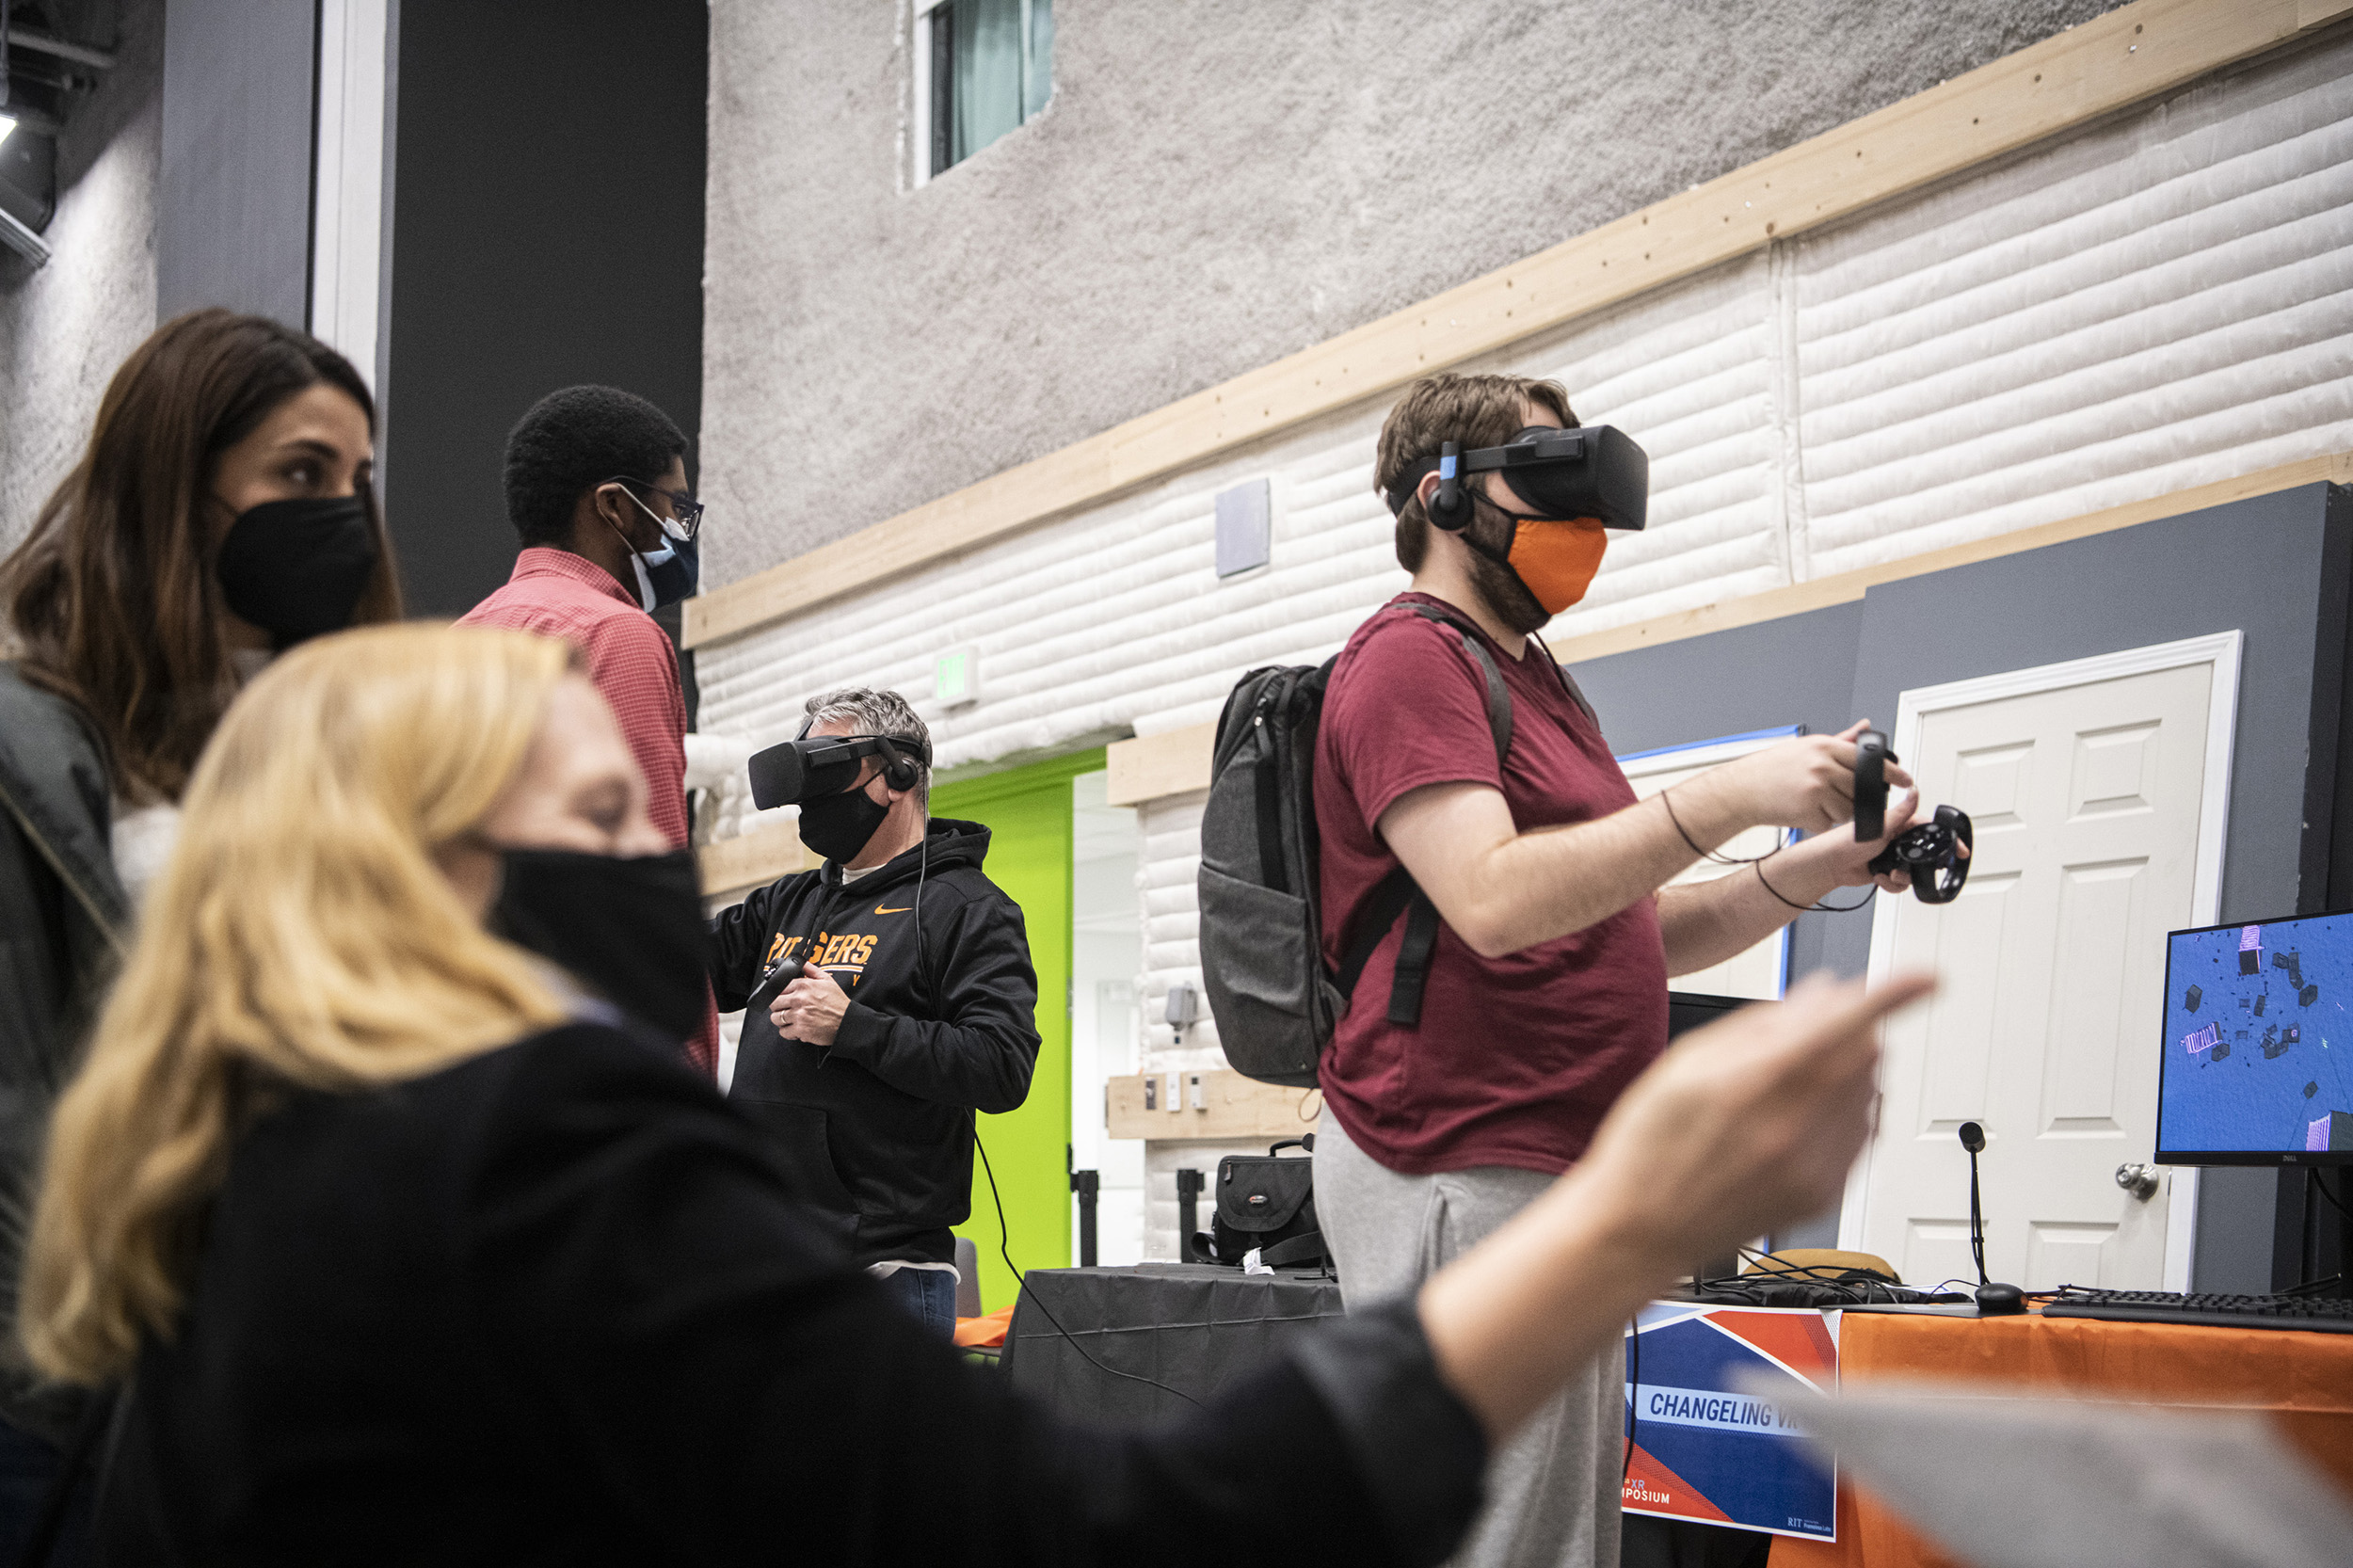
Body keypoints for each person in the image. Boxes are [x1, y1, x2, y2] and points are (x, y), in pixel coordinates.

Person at [13, 622, 1929, 1563]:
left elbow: (992, 1073)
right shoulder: (532, 1155)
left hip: (874, 1246)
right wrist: (1621, 1215)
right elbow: (1111, 1532)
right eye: (603, 819)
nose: (651, 867)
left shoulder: (227, 1187)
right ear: (413, 874)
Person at [1312, 372, 1928, 1568]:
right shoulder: (1406, 660)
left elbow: (1637, 931)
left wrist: (1819, 861)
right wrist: (1729, 792)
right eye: (1545, 481)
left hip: (1547, 1163)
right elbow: (1489, 900)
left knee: (1554, 1537)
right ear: (1440, 495)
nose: (1580, 525)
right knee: (1494, 1539)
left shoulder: (1533, 679)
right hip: (1454, 1155)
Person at [0, 308, 398, 1553]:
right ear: (177, 483)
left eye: (357, 479)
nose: (342, 509)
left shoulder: (328, 760)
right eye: (299, 473)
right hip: (74, 1413)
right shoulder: (32, 748)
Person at [711, 689, 1039, 1337]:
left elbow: (1003, 1067)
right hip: (768, 1252)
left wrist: (853, 1027)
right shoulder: (788, 901)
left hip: (883, 1271)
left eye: (826, 770)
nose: (812, 800)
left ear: (898, 774)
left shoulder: (967, 908)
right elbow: (672, 966)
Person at [457, 384, 719, 1075]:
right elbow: (641, 876)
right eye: (675, 507)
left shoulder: (457, 643)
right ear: (613, 505)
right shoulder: (618, 635)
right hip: (597, 1057)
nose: (683, 530)